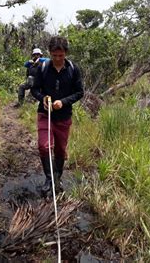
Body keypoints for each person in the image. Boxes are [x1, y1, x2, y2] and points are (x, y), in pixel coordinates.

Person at [31, 36, 84, 194]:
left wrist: (63, 102)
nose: (57, 59)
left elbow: (79, 92)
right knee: (44, 146)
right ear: (50, 53)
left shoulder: (73, 69)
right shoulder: (43, 67)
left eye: (60, 55)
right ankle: (49, 178)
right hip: (45, 114)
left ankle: (57, 177)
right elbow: (35, 90)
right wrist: (44, 98)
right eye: (54, 55)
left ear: (66, 53)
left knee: (60, 150)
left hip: (64, 117)